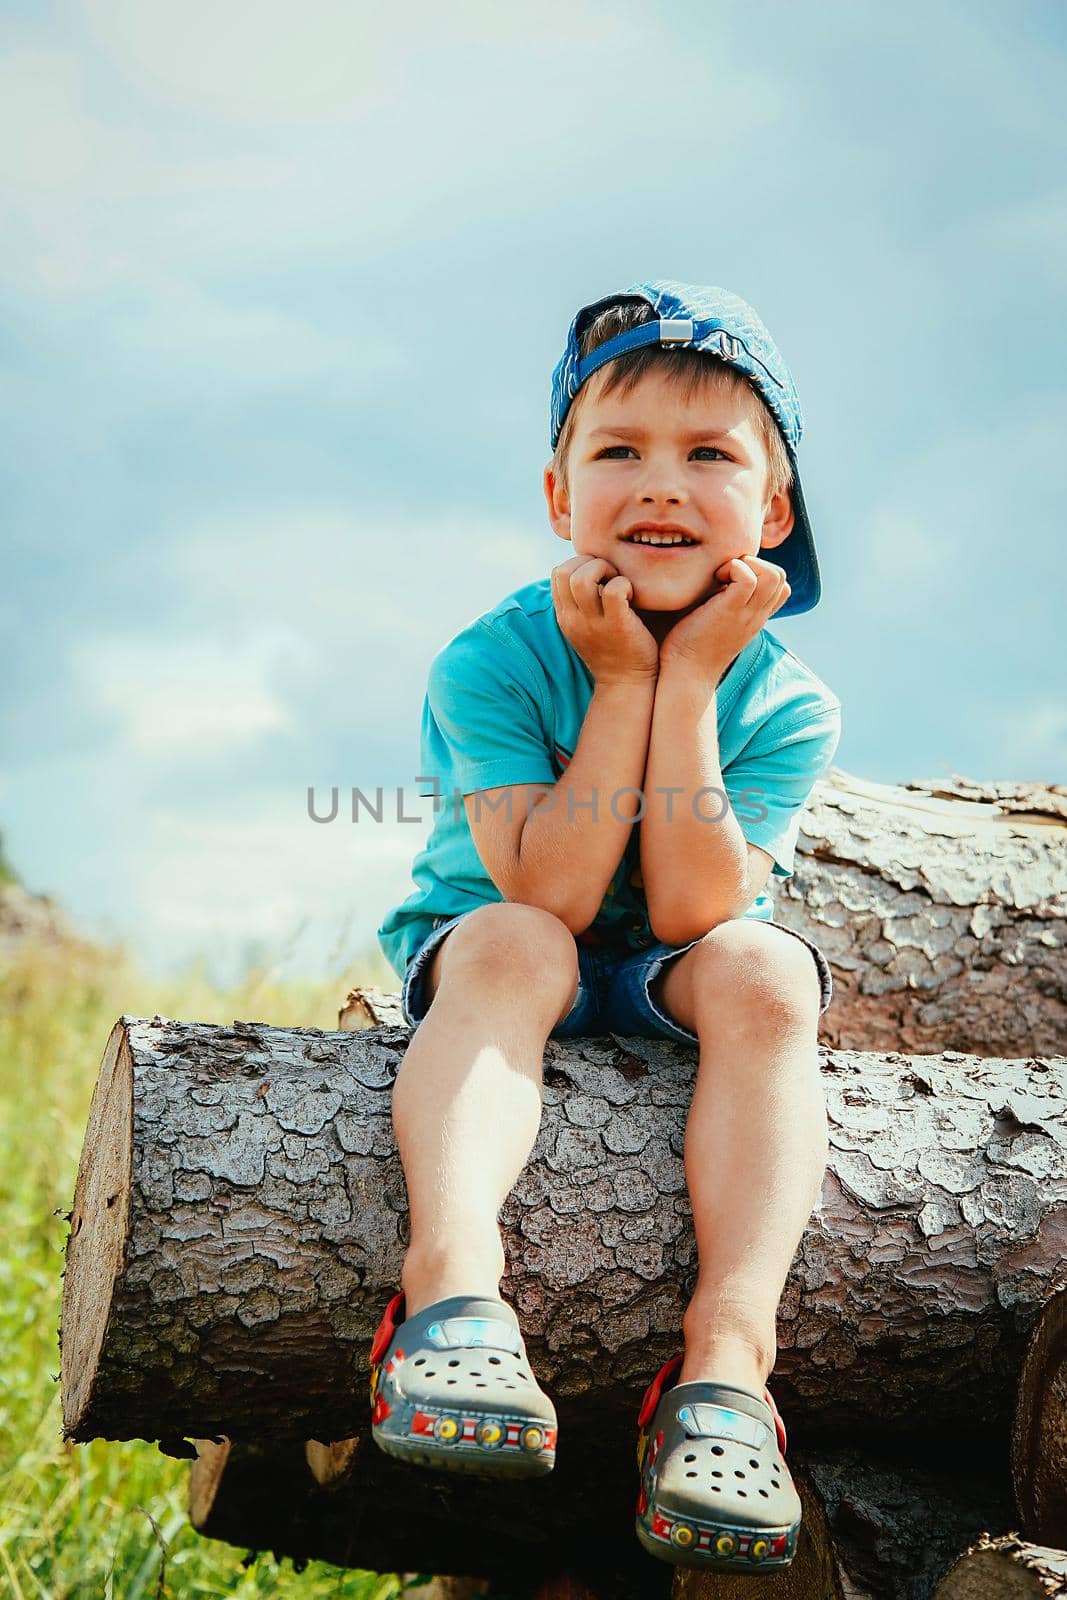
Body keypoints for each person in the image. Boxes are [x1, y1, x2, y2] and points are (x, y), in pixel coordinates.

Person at [369, 280, 841, 1574]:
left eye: (709, 456)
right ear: (559, 497)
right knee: (523, 947)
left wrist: (684, 681)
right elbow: (553, 894)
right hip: (511, 925)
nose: (662, 485)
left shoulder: (787, 706)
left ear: (773, 513)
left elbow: (697, 907)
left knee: (765, 972)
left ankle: (728, 1370)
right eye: (618, 451)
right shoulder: (494, 657)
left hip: (673, 954)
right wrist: (623, 674)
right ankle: (451, 1298)